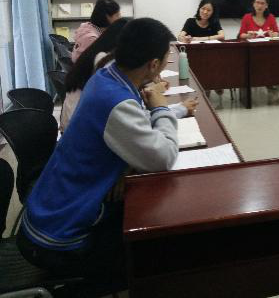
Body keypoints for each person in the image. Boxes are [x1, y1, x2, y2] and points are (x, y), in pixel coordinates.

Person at [17, 18, 179, 293]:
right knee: (152, 252)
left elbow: (127, 133)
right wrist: (161, 108)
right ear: (153, 65)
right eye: (165, 60)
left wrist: (126, 164)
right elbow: (164, 157)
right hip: (57, 240)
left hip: (48, 212)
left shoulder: (106, 74)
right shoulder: (116, 101)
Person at [61, 18, 197, 132]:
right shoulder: (106, 74)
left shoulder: (104, 66)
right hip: (77, 133)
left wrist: (145, 80)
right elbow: (159, 148)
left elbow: (137, 117)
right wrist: (164, 109)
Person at [238, 0, 279, 103]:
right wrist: (247, 35)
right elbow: (240, 35)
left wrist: (273, 34)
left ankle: (272, 86)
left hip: (267, 52)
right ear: (253, 4)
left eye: (262, 3)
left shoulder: (271, 17)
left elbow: (277, 33)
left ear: (266, 5)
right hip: (251, 52)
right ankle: (266, 86)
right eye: (257, 3)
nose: (259, 5)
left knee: (274, 61)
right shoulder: (247, 17)